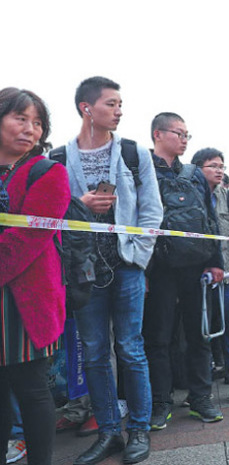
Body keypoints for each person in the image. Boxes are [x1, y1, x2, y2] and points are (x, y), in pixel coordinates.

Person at [62, 77, 163, 465]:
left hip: (126, 267)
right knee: (95, 354)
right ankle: (108, 432)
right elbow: (53, 215)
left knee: (131, 349)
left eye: (120, 104)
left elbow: (152, 211)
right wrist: (80, 204)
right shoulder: (58, 158)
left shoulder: (134, 153)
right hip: (84, 271)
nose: (119, 110)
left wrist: (138, 256)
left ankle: (138, 429)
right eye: (111, 104)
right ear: (87, 108)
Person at [0, 87, 70, 465]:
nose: (30, 129)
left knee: (32, 389)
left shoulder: (48, 172)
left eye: (38, 122)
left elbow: (28, 237)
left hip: (26, 299)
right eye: (20, 118)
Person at [143, 115, 226, 432]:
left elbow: (210, 220)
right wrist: (142, 268)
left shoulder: (193, 174)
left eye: (187, 134)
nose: (184, 139)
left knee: (199, 335)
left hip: (196, 265)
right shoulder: (142, 168)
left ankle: (200, 397)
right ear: (158, 134)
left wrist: (215, 260)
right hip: (159, 267)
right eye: (179, 133)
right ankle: (161, 402)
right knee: (158, 337)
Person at [191, 147, 229, 402]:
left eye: (221, 166)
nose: (219, 170)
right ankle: (200, 388)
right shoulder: (187, 197)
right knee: (197, 332)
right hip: (196, 278)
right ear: (197, 168)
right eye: (213, 166)